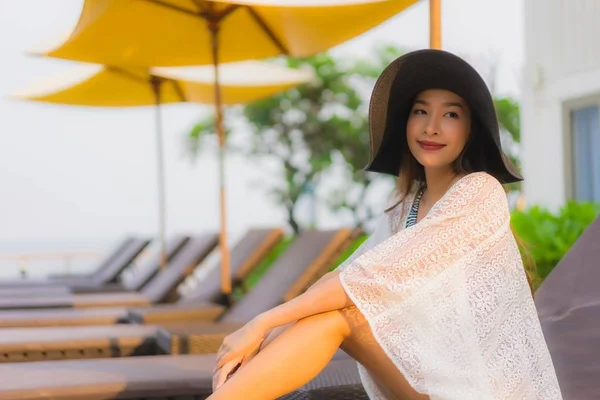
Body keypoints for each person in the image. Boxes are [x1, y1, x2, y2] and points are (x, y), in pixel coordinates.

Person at [207, 49, 563, 399]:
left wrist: (261, 322)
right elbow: (346, 274)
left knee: (344, 315)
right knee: (334, 310)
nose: (431, 127)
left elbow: (360, 283)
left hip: (478, 389)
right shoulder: (405, 207)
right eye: (420, 111)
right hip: (424, 380)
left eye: (451, 115)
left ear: (471, 130)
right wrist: (263, 339)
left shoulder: (478, 192)